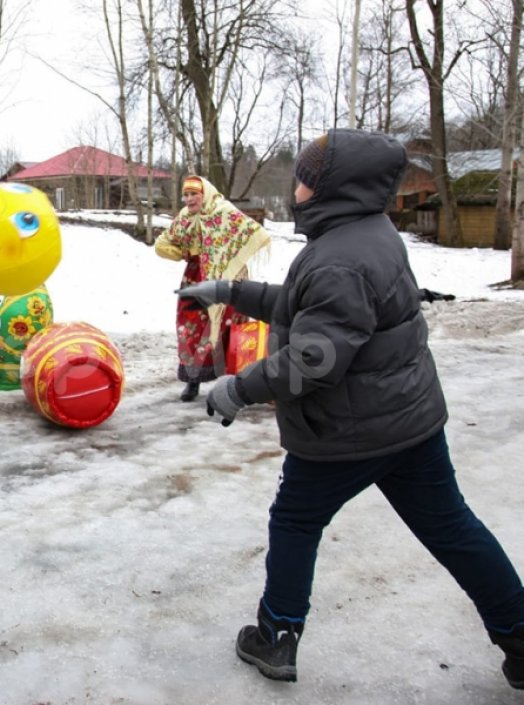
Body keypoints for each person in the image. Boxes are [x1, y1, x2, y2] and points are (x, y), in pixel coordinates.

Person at [177, 128, 524, 688]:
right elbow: (306, 307)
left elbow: (313, 357)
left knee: (295, 519)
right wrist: (230, 291)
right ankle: (520, 633)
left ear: (334, 187)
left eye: (309, 177)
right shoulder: (366, 233)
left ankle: (277, 635)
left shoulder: (337, 258)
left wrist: (237, 389)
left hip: (346, 429)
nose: (299, 184)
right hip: (408, 419)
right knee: (452, 527)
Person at [154, 175, 270, 401]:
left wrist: (232, 258)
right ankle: (192, 380)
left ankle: (234, 381)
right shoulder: (185, 218)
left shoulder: (223, 211)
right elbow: (162, 243)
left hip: (226, 277)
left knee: (229, 327)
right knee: (191, 327)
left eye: (193, 194)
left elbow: (254, 232)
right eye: (185, 195)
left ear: (204, 193)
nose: (189, 199)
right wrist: (181, 253)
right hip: (195, 277)